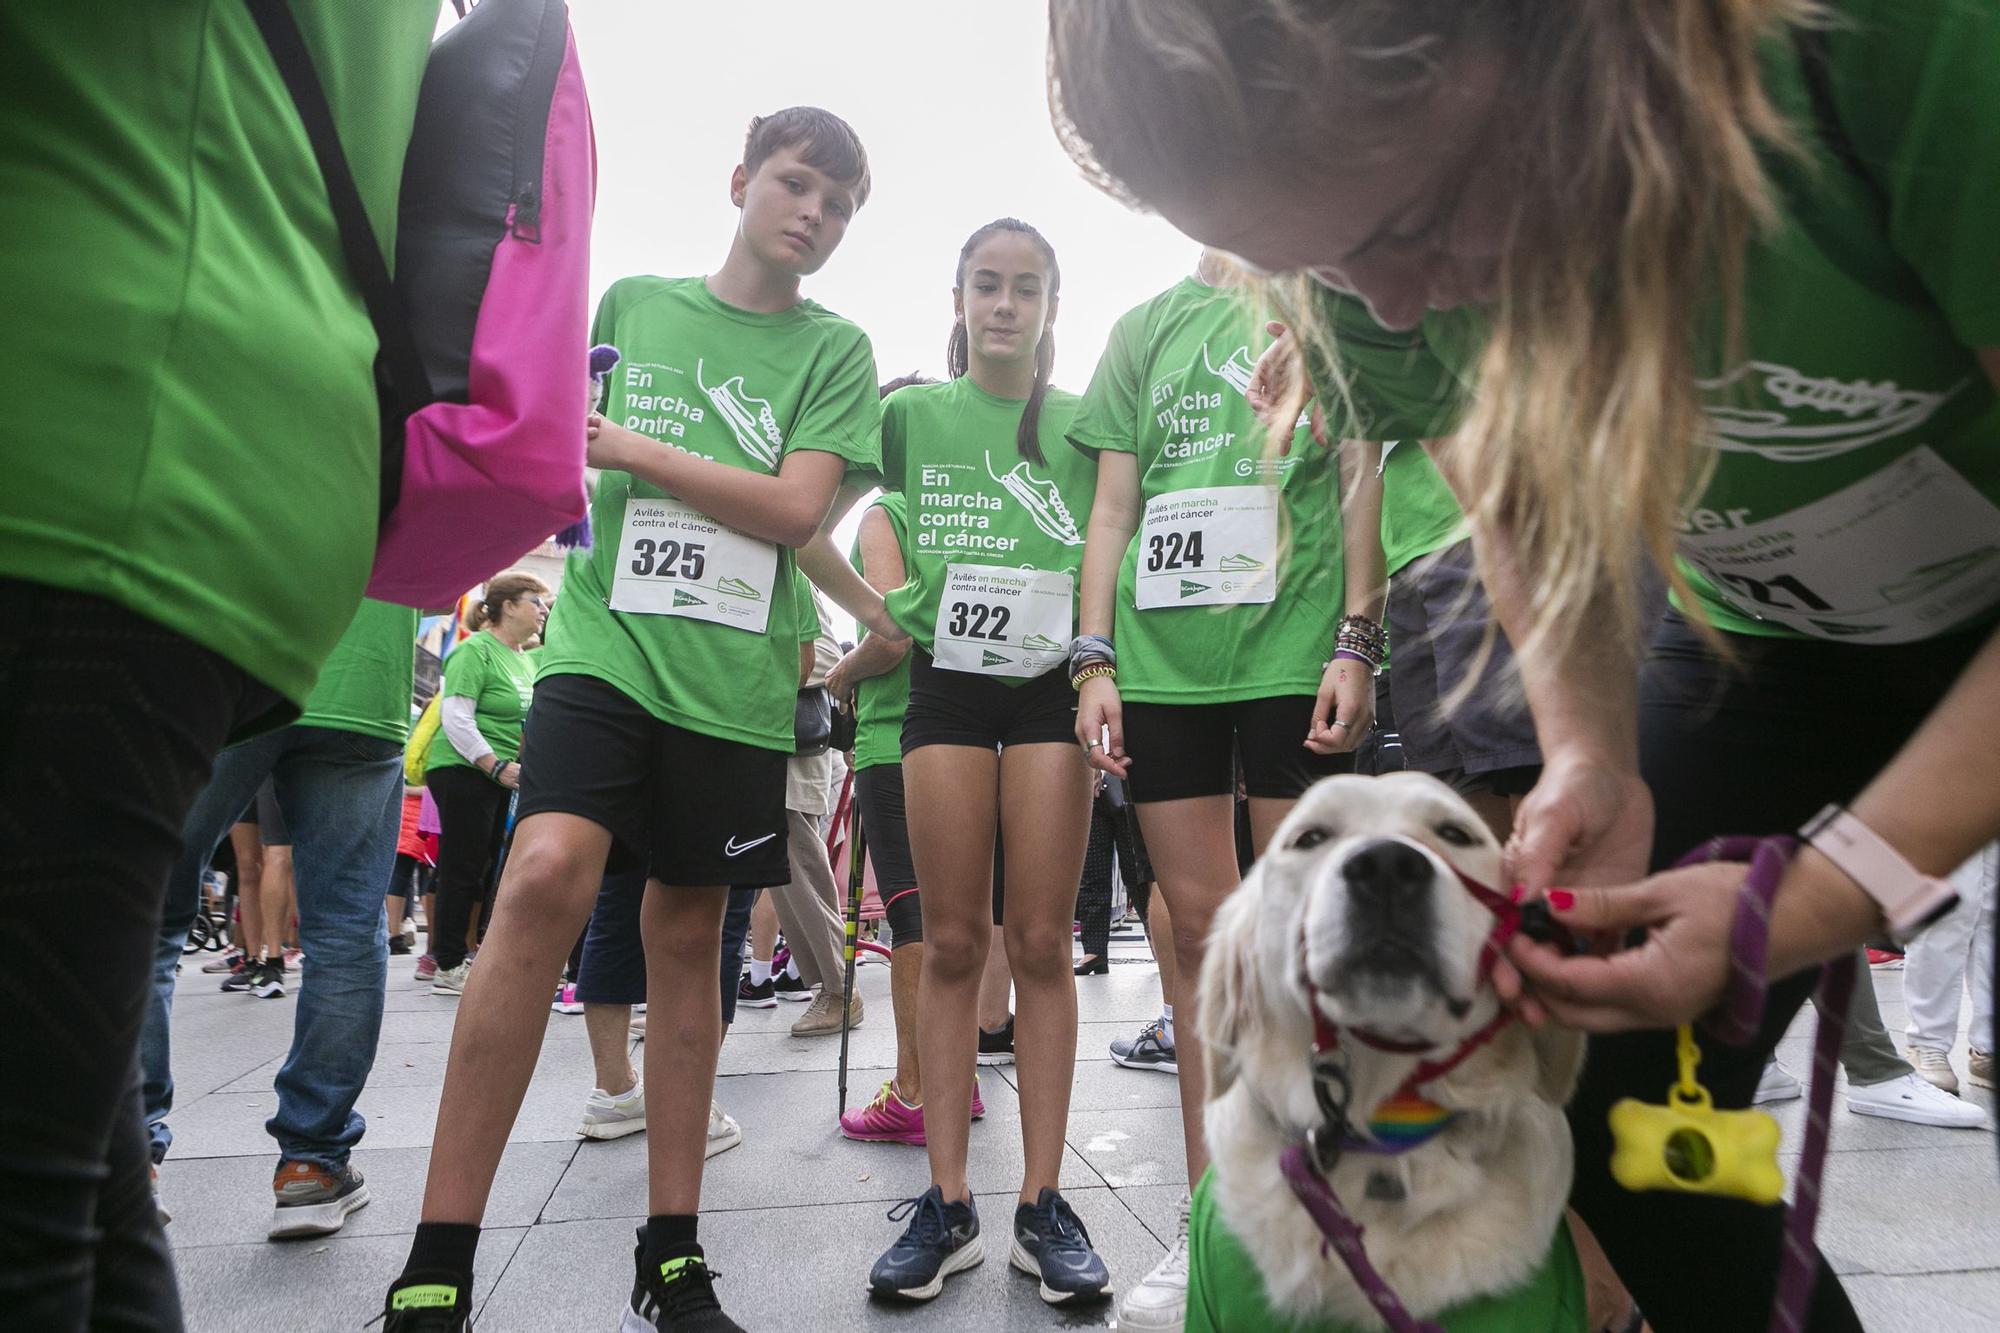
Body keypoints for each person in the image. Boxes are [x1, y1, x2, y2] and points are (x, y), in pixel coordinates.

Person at [1050, 4, 2000, 1329]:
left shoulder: (1906, 43)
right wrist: (1591, 749)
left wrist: (1843, 888)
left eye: (1401, 230)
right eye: (1315, 273)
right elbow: (1511, 489)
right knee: (1607, 1116)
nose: (1382, 305)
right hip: (1775, 637)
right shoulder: (1358, 264)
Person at [380, 107, 892, 1333]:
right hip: (602, 649)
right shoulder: (632, 303)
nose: (811, 214)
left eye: (836, 203)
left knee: (685, 936)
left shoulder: (837, 349)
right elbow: (562, 440)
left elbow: (790, 508)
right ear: (739, 181)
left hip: (734, 679)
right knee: (544, 872)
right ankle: (439, 1253)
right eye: (793, 184)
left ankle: (671, 1253)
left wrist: (642, 451)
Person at [1, 10, 435, 1326]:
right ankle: (307, 1151)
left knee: (129, 964)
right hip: (286, 501)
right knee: (70, 1172)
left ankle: (146, 1111)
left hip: (100, 421)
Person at [1065, 249, 1377, 1329]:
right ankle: (1220, 1224)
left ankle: (1319, 1207)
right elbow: (1111, 508)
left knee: (1301, 939)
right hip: (1162, 666)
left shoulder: (1322, 305)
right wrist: (1092, 659)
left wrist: (1356, 639)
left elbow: (1357, 472)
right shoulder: (1143, 326)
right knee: (1195, 938)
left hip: (1293, 653)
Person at [865, 217, 1111, 1308]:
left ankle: (1041, 1202)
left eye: (1024, 288)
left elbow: (1113, 542)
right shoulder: (911, 414)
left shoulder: (1086, 423)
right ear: (958, 300)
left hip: (1050, 689)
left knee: (1040, 941)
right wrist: (881, 603)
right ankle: (950, 1202)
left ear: (1051, 306)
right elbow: (827, 496)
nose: (1004, 304)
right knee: (951, 938)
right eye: (985, 286)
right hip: (947, 689)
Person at [144, 597, 416, 1238]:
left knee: (147, 919)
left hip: (233, 657)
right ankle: (312, 1166)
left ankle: (125, 1162)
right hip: (363, 679)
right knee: (346, 932)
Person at [425, 572, 547, 995]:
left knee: (486, 866)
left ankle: (469, 952)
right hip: (464, 767)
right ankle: (446, 963)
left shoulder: (526, 658)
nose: (543, 609)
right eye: (536, 600)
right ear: (508, 605)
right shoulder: (474, 649)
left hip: (505, 773)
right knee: (463, 864)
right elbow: (455, 716)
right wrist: (493, 764)